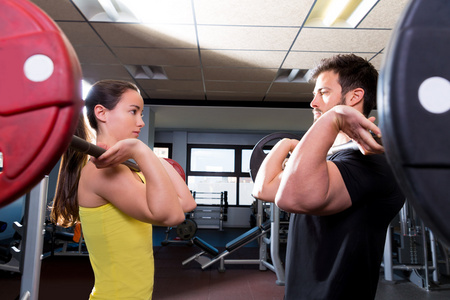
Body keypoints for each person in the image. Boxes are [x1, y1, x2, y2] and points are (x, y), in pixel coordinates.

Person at [252, 54, 405, 300]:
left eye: (322, 93)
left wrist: (333, 119)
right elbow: (263, 189)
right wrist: (286, 143)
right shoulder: (331, 159)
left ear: (354, 96)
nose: (313, 102)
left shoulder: (369, 160)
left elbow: (291, 199)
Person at [51, 79, 197, 299]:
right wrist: (141, 150)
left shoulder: (127, 168)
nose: (141, 122)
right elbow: (173, 215)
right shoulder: (105, 171)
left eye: (142, 114)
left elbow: (187, 203)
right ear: (102, 113)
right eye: (133, 112)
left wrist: (151, 159)